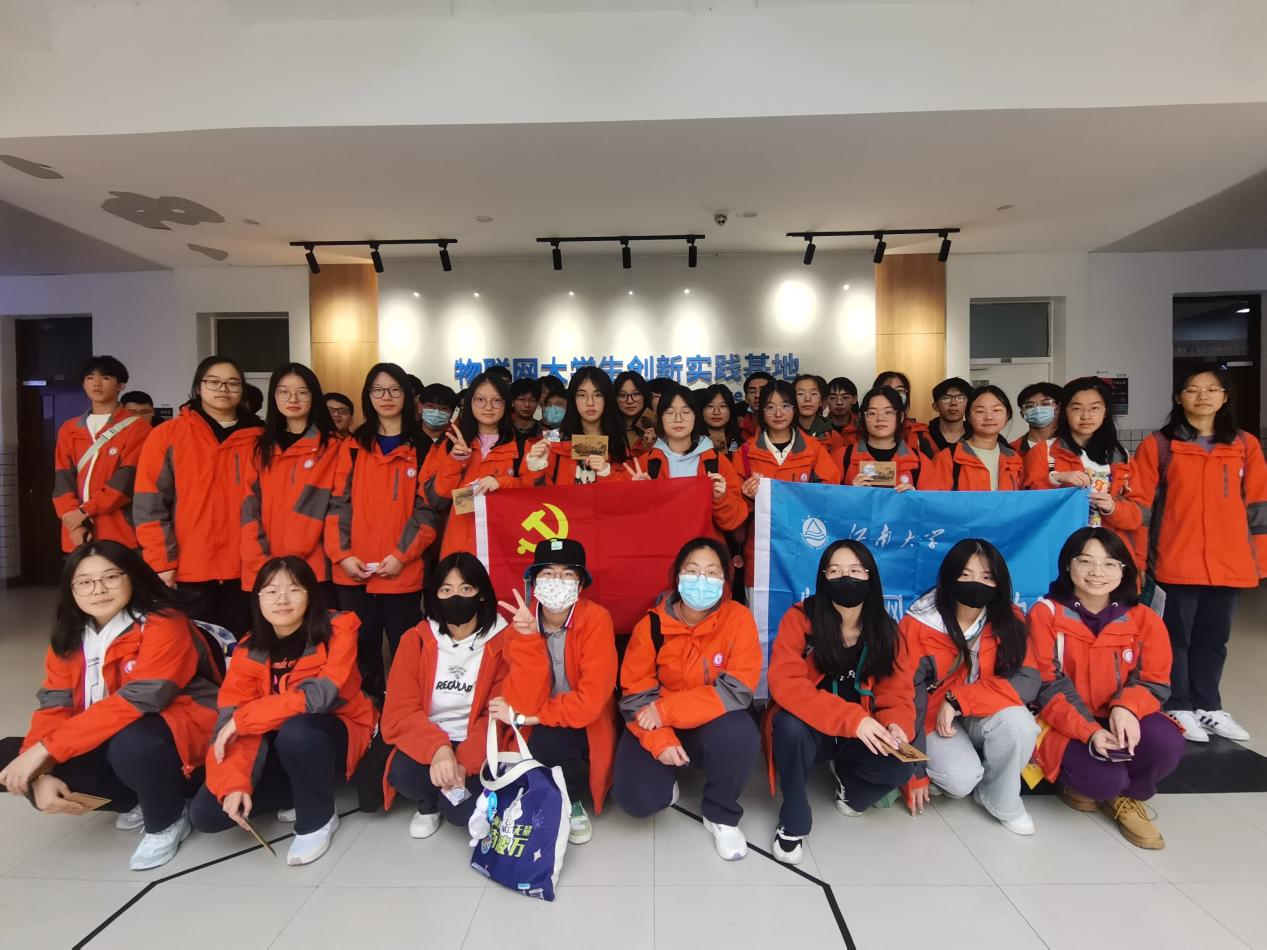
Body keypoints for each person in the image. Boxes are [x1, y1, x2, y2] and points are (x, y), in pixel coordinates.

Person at [0, 541, 218, 870]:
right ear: (71, 589)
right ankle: (136, 799)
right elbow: (54, 706)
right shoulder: (69, 637)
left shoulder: (164, 622)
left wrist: (46, 750)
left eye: (111, 577)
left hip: (182, 736)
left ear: (132, 577)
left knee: (133, 741)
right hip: (110, 735)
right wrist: (38, 773)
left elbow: (141, 698)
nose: (98, 590)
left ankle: (168, 818)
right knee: (11, 757)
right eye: (85, 582)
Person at [190, 557, 376, 865]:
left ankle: (317, 819)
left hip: (336, 731)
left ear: (310, 594)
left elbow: (320, 697)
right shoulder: (248, 649)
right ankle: (293, 790)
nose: (282, 599)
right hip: (277, 742)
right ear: (258, 598)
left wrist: (245, 718)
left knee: (298, 731)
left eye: (294, 589)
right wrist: (235, 783)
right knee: (208, 814)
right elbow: (232, 723)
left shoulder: (339, 629)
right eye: (271, 591)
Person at [1127, 368, 1266, 744]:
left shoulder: (1244, 445)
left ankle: (1209, 706)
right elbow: (1141, 509)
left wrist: (1260, 561)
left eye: (1212, 390)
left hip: (1230, 563)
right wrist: (1138, 561)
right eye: (1192, 390)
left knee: (1215, 639)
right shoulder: (1159, 446)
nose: (1202, 396)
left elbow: (1259, 508)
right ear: (1179, 397)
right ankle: (1178, 704)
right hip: (1175, 561)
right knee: (1175, 639)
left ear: (1224, 397)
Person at [1028, 528, 1185, 850]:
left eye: (1110, 563)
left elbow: (1154, 680)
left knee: (1167, 742)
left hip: (1119, 716)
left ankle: (1128, 797)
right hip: (1065, 722)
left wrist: (1127, 708)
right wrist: (1090, 732)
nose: (1097, 572)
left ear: (1123, 570)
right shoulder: (1046, 614)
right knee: (1103, 781)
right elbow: (1046, 684)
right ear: (1068, 565)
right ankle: (1091, 784)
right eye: (1085, 561)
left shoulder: (1144, 619)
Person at [765, 540, 915, 865]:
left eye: (855, 571)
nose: (846, 578)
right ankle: (793, 815)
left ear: (870, 576)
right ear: (824, 578)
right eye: (835, 571)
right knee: (789, 727)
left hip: (858, 733)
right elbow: (785, 684)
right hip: (813, 730)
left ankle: (847, 780)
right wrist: (852, 720)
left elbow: (897, 692)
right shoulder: (800, 619)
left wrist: (896, 725)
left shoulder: (886, 630)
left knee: (903, 762)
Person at [612, 538, 762, 860]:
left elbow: (737, 689)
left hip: (706, 720)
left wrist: (667, 710)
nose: (701, 580)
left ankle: (720, 813)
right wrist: (661, 740)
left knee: (741, 734)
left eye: (712, 572)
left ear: (725, 579)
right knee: (637, 800)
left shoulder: (738, 619)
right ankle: (667, 780)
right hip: (653, 721)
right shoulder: (650, 625)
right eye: (692, 571)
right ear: (678, 575)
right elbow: (635, 696)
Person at [900, 538, 1040, 834]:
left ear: (999, 582)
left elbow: (1027, 680)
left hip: (979, 708)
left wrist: (958, 700)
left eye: (987, 577)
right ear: (949, 577)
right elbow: (906, 697)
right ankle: (957, 771)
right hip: (930, 717)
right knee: (960, 780)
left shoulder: (1010, 618)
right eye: (965, 575)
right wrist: (914, 770)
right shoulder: (919, 624)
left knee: (1020, 724)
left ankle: (1000, 799)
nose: (976, 584)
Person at [325, 362, 440, 700]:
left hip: (402, 570)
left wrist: (401, 556)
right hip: (354, 570)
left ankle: (404, 712)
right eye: (378, 390)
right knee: (360, 653)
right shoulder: (351, 446)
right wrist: (342, 555)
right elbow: (337, 504)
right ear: (368, 396)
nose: (386, 397)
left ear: (407, 395)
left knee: (407, 650)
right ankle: (366, 715)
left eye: (394, 389)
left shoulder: (424, 447)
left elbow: (427, 510)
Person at [492, 539, 618, 845]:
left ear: (580, 584)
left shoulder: (597, 619)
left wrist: (529, 718)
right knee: (539, 744)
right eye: (548, 574)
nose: (557, 582)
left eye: (567, 574)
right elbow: (522, 701)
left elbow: (590, 703)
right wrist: (526, 639)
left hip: (582, 720)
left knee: (553, 742)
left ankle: (572, 799)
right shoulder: (520, 624)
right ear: (534, 582)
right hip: (535, 719)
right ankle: (547, 796)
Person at [380, 553, 510, 838]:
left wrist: (463, 763)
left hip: (475, 741)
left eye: (466, 588)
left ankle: (448, 795)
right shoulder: (416, 640)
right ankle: (429, 804)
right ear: (435, 596)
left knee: (462, 813)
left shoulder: (503, 641)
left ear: (481, 594)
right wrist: (439, 750)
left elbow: (496, 716)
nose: (456, 597)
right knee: (403, 775)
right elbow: (400, 710)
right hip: (429, 738)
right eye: (446, 590)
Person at [134, 355, 262, 637]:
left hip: (247, 569)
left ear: (242, 389)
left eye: (233, 383)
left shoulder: (260, 438)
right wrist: (161, 562)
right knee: (193, 648)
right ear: (198, 387)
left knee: (242, 648)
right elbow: (150, 505)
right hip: (188, 569)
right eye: (213, 382)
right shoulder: (168, 435)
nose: (223, 389)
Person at [240, 363, 339, 592]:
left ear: (314, 397)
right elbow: (249, 507)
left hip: (315, 567)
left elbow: (335, 506)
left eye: (302, 392)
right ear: (274, 396)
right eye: (283, 391)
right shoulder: (259, 447)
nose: (292, 399)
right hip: (265, 567)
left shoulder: (333, 446)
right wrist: (259, 560)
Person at [735, 381, 840, 597]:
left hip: (804, 549)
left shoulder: (813, 450)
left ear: (794, 408)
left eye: (785, 406)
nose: (778, 413)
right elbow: (732, 508)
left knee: (803, 610)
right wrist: (747, 497)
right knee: (760, 612)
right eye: (770, 407)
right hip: (760, 552)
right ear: (761, 411)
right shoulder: (745, 453)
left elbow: (831, 495)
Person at [1023, 377, 1140, 554]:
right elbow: (1029, 506)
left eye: (1094, 408)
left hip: (1109, 551)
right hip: (1059, 548)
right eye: (1076, 408)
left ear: (1105, 411)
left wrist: (1113, 508)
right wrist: (1056, 479)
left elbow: (1137, 514)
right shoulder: (1043, 452)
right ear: (1064, 411)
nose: (1086, 416)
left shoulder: (1120, 455)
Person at [53, 355, 151, 552]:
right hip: (77, 534)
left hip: (120, 533)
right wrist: (75, 524)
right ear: (83, 384)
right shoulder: (69, 429)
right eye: (90, 378)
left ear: (121, 385)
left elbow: (125, 483)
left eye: (105, 377)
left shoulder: (137, 428)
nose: (96, 383)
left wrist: (84, 511)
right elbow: (62, 481)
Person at [635, 383, 747, 536]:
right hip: (660, 546)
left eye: (686, 412)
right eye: (670, 412)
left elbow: (735, 520)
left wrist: (721, 498)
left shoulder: (716, 461)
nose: (678, 419)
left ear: (696, 416)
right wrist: (637, 496)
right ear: (660, 418)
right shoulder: (646, 463)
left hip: (704, 548)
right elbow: (631, 521)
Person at [431, 372, 522, 558]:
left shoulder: (521, 445)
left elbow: (533, 494)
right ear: (470, 402)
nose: (488, 407)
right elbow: (439, 497)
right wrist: (455, 461)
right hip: (460, 542)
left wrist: (503, 482)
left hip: (505, 545)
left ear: (506, 404)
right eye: (480, 400)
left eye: (496, 400)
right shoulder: (451, 444)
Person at [522, 366, 629, 486]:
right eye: (582, 395)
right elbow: (535, 492)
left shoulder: (618, 441)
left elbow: (628, 492)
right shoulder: (552, 439)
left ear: (607, 398)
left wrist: (607, 473)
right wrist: (535, 468)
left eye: (598, 395)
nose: (590, 402)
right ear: (573, 399)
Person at [923, 386, 1023, 491]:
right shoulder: (947, 459)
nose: (989, 417)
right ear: (968, 417)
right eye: (980, 411)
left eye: (997, 410)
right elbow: (933, 499)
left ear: (1007, 415)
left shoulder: (1014, 459)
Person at [833, 386, 923, 490]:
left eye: (888, 412)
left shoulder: (919, 461)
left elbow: (933, 498)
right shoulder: (842, 457)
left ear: (901, 417)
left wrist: (915, 496)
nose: (880, 418)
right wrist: (851, 493)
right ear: (863, 417)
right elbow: (825, 497)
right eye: (872, 413)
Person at [918, 376, 973, 457]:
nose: (953, 403)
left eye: (960, 398)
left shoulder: (975, 436)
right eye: (946, 399)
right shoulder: (921, 437)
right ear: (935, 406)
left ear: (969, 405)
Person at [873, 370, 928, 450]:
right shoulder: (862, 432)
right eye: (888, 389)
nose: (894, 394)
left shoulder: (921, 433)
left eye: (899, 390)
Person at [614, 370, 656, 459]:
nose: (629, 401)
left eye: (636, 394)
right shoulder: (606, 429)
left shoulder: (658, 428)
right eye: (622, 395)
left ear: (645, 396)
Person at [1013, 382, 1061, 456]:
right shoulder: (1011, 451)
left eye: (1045, 403)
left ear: (1059, 409)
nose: (1037, 409)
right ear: (1022, 414)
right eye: (1029, 406)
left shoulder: (1072, 446)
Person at [417, 383, 459, 465]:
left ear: (452, 413)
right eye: (430, 406)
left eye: (443, 408)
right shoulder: (407, 437)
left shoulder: (457, 440)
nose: (436, 413)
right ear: (420, 408)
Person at [699, 383, 742, 457]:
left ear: (730, 409)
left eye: (722, 406)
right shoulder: (692, 443)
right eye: (710, 406)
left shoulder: (742, 442)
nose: (716, 412)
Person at [792, 374, 834, 443]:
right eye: (801, 394)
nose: (807, 399)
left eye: (813, 394)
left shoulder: (833, 436)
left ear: (821, 401)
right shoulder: (783, 433)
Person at [738, 371, 774, 441]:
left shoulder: (784, 425)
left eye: (763, 390)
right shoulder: (738, 428)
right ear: (746, 398)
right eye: (752, 392)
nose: (757, 395)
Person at [825, 376, 860, 446]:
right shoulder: (820, 429)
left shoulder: (862, 429)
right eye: (833, 398)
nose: (839, 402)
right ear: (826, 400)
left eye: (845, 397)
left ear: (854, 399)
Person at [508, 378, 542, 448]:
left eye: (532, 400)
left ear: (537, 403)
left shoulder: (546, 432)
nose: (527, 404)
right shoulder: (502, 431)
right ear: (512, 402)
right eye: (521, 399)